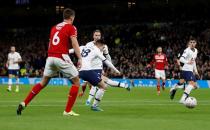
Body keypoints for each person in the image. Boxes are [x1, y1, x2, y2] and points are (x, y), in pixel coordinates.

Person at [16, 8, 82, 116]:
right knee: (76, 82)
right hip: (61, 56)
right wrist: (79, 58)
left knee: (43, 83)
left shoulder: (54, 28)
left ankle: (24, 103)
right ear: (72, 17)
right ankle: (68, 111)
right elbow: (74, 43)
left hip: (50, 57)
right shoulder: (71, 27)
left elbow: (50, 44)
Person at [78, 30, 129, 106]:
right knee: (101, 84)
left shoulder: (104, 46)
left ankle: (89, 102)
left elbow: (107, 56)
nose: (97, 37)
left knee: (99, 84)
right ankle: (91, 103)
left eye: (99, 35)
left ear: (100, 36)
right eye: (96, 35)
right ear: (93, 36)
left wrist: (110, 65)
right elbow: (84, 54)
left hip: (98, 67)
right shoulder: (89, 44)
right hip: (90, 67)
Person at [70, 39, 121, 111]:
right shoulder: (96, 50)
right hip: (87, 71)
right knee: (103, 86)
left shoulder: (83, 47)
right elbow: (106, 61)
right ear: (99, 45)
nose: (102, 49)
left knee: (95, 85)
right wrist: (116, 70)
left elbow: (71, 50)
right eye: (102, 47)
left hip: (80, 71)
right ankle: (94, 106)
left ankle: (83, 100)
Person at [179, 37, 199, 104]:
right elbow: (181, 59)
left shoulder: (196, 50)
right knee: (192, 84)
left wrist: (196, 71)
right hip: (186, 69)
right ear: (189, 43)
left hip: (190, 70)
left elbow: (194, 61)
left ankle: (186, 90)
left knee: (196, 86)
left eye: (194, 42)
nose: (192, 44)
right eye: (191, 42)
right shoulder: (187, 50)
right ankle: (183, 98)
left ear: (196, 43)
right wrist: (188, 62)